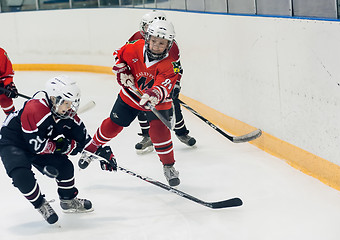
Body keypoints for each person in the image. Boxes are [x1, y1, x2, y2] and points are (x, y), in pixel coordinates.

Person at [0, 75, 116, 224]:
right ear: (54, 99)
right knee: (21, 175)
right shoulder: (34, 110)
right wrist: (65, 147)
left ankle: (68, 200)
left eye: (72, 103)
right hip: (13, 142)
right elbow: (37, 146)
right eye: (66, 103)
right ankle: (40, 204)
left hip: (39, 143)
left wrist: (101, 153)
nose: (70, 108)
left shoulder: (68, 118)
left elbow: (86, 142)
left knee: (65, 167)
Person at [81, 20, 181, 187]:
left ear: (169, 44)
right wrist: (123, 71)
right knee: (113, 125)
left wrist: (153, 95)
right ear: (148, 37)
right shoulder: (134, 46)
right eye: (154, 40)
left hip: (156, 103)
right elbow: (119, 55)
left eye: (161, 43)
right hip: (130, 96)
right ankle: (91, 148)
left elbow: (162, 85)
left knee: (159, 134)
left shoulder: (171, 63)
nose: (156, 45)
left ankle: (169, 167)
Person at [128, 11, 196, 154]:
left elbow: (176, 67)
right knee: (141, 107)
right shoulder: (136, 38)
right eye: (148, 26)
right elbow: (128, 57)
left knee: (173, 106)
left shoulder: (170, 44)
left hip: (161, 80)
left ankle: (181, 132)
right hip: (143, 79)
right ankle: (147, 136)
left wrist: (175, 84)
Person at [0, 47, 18, 115]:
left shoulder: (1, 53)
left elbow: (7, 74)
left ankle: (12, 119)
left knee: (5, 99)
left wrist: (9, 86)